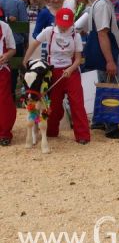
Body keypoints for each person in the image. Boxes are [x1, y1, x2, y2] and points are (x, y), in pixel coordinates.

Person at [22, 8, 90, 144]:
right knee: (53, 105)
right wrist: (25, 60)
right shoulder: (49, 31)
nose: (64, 26)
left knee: (77, 103)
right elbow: (34, 43)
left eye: (67, 24)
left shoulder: (75, 35)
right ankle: (51, 131)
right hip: (52, 73)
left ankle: (82, 135)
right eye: (61, 23)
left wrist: (70, 69)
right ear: (56, 21)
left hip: (71, 72)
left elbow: (78, 59)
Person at [84, 0, 119, 139]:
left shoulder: (103, 3)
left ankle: (100, 121)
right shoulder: (102, 5)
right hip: (102, 50)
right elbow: (102, 33)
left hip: (101, 48)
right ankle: (111, 127)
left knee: (104, 83)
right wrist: (109, 60)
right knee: (109, 85)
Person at [0, 16, 16, 146]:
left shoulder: (4, 27)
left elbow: (12, 49)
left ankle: (4, 133)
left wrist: (6, 56)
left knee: (4, 101)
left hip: (1, 70)